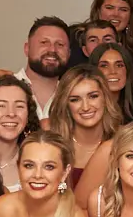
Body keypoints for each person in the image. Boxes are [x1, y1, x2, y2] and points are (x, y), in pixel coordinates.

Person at [46, 63, 115, 193]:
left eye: (93, 96)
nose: (86, 107)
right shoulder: (52, 141)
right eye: (75, 100)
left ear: (105, 98)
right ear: (66, 104)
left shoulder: (122, 140)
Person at [88, 0, 133, 80]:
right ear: (98, 9)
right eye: (109, 8)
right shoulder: (78, 37)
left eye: (123, 10)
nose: (116, 14)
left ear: (131, 15)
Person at [21, 16, 72, 119]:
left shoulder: (74, 96)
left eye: (60, 44)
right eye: (44, 43)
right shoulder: (0, 89)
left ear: (69, 53)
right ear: (27, 49)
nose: (52, 50)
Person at [87, 40, 133, 123]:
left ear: (127, 71)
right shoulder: (87, 110)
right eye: (104, 65)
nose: (113, 71)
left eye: (119, 65)